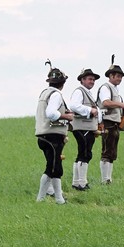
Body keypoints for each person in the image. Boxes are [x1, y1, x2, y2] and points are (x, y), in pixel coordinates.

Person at [35, 61, 73, 204]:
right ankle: (41, 198)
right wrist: (66, 116)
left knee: (56, 167)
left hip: (43, 135)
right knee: (52, 167)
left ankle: (59, 199)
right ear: (62, 83)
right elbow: (51, 113)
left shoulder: (44, 93)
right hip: (52, 136)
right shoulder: (56, 95)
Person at [97, 55, 124, 184]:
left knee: (112, 152)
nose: (120, 78)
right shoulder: (106, 87)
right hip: (108, 122)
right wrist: (121, 105)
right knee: (107, 151)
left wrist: (123, 110)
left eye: (120, 76)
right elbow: (106, 103)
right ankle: (105, 179)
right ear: (111, 76)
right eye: (117, 76)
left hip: (114, 122)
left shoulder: (115, 89)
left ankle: (108, 178)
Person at [69, 68, 101, 191]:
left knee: (83, 153)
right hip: (82, 126)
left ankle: (77, 182)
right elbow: (74, 106)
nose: (92, 81)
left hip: (86, 127)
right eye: (89, 79)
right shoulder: (79, 91)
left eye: (93, 79)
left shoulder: (86, 92)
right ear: (82, 80)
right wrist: (90, 110)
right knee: (85, 153)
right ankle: (82, 183)